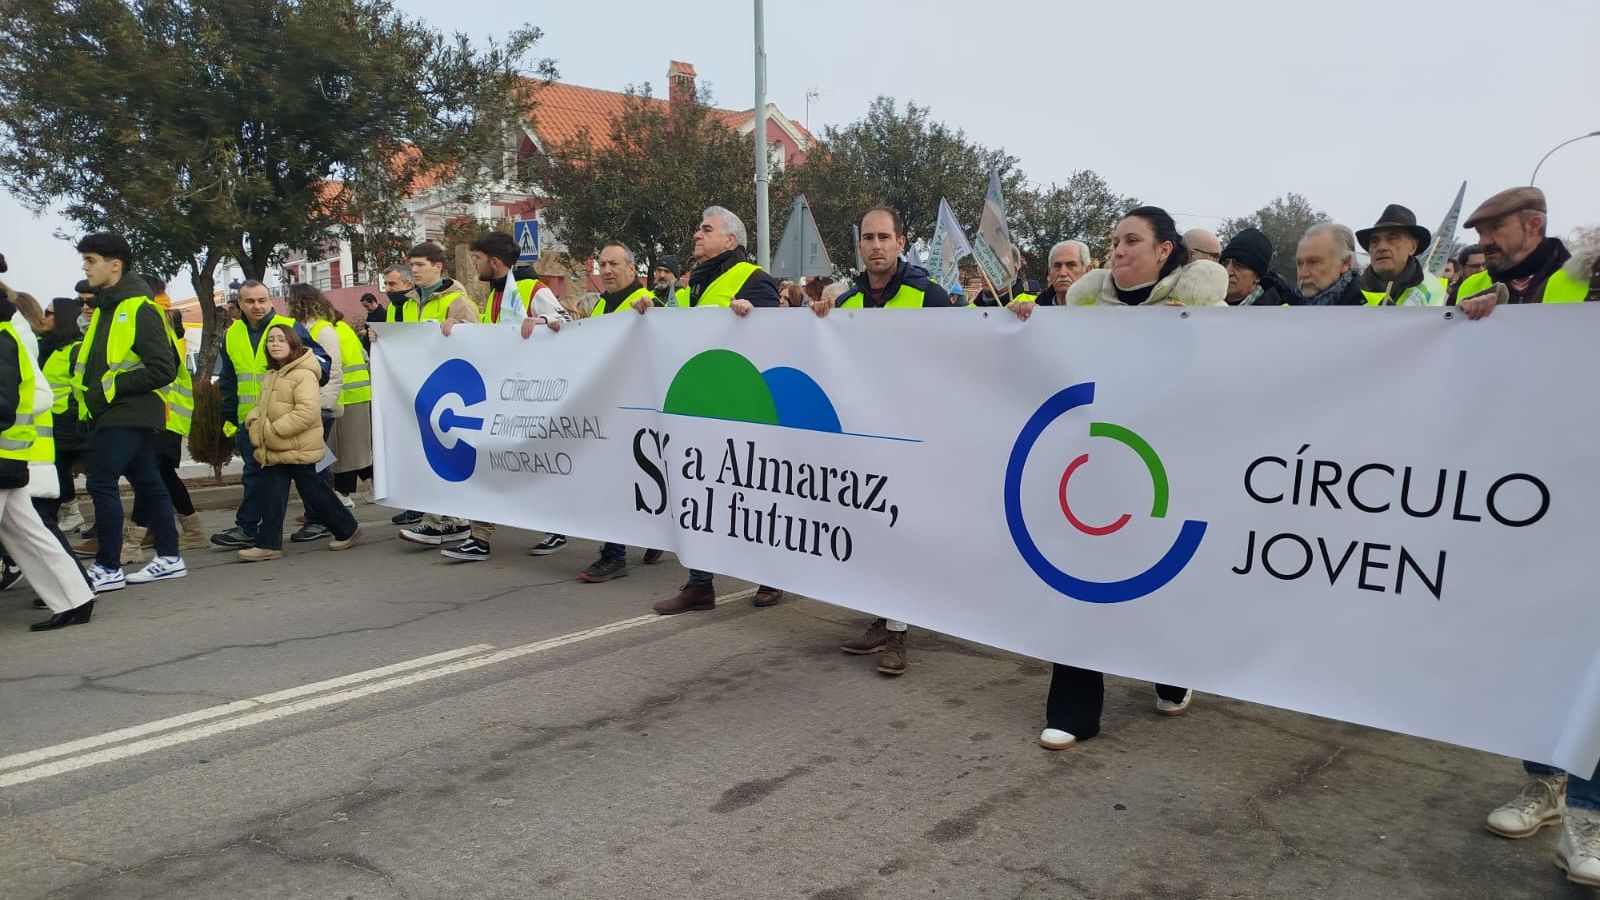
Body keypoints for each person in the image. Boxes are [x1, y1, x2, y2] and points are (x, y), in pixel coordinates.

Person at [1019, 205, 1226, 748]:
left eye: (1132, 240)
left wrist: (1202, 333)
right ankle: (1073, 710)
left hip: (1166, 471)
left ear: (1164, 251)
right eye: (1114, 240)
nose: (1118, 249)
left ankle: (1171, 674)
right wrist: (1026, 320)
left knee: (1155, 581)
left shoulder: (1206, 309)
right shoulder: (1084, 306)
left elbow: (1230, 379)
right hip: (1094, 465)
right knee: (1081, 579)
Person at [1474, 223, 1596, 886]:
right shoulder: (1576, 276)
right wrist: (1488, 319)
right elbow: (1528, 355)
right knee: (1544, 644)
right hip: (1555, 489)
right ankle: (1545, 784)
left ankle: (1587, 813)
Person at [813, 206, 952, 677]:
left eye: (884, 237)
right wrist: (817, 319)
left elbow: (963, 353)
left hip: (911, 437)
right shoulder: (847, 302)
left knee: (900, 533)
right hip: (861, 438)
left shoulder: (927, 295)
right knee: (871, 531)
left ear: (900, 242)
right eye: (868, 238)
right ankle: (881, 618)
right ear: (860, 246)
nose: (875, 245)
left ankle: (898, 635)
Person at [631, 206, 784, 615]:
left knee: (752, 493)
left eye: (706, 229)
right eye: (698, 228)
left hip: (743, 407)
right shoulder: (691, 286)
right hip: (698, 406)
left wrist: (753, 319)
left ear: (731, 240)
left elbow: (780, 339)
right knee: (696, 494)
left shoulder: (754, 280)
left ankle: (773, 574)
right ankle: (700, 584)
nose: (697, 235)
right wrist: (651, 313)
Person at [415, 231, 567, 561]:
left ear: (494, 261)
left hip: (533, 396)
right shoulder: (496, 293)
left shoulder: (532, 289)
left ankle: (556, 525)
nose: (475, 264)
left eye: (478, 259)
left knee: (532, 466)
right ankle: (480, 538)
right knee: (492, 462)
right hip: (504, 393)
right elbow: (491, 339)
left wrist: (544, 319)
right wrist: (458, 331)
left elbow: (567, 321)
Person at [72, 232, 186, 591]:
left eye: (91, 260)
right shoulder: (108, 307)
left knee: (101, 482)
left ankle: (107, 568)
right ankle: (169, 558)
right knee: (149, 482)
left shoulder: (139, 308)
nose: (85, 267)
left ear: (114, 264)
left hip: (127, 412)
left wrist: (110, 387)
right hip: (115, 413)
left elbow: (163, 367)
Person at [0, 287, 97, 630]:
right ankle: (76, 598)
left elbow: (8, 400)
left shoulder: (5, 335)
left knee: (31, 534)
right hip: (11, 454)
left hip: (6, 453)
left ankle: (76, 599)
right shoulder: (11, 332)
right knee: (30, 534)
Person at [209, 281, 327, 549]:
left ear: (272, 301)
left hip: (287, 418)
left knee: (307, 476)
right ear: (239, 304)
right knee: (255, 475)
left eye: (262, 300)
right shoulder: (232, 335)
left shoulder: (288, 327)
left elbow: (321, 362)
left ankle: (327, 521)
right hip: (251, 421)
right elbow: (228, 380)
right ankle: (248, 527)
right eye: (250, 301)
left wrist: (305, 388)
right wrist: (229, 418)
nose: (257, 306)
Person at [237, 324, 361, 561]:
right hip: (279, 448)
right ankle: (269, 545)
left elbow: (307, 412)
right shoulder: (273, 374)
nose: (274, 344)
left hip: (298, 447)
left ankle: (348, 529)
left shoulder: (303, 374)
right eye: (271, 340)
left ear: (294, 344)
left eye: (281, 340)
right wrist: (253, 420)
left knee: (317, 494)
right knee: (273, 495)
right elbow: (262, 407)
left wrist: (272, 432)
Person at [126, 290, 203, 555]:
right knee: (164, 477)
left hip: (165, 418)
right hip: (165, 418)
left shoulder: (160, 335)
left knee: (151, 476)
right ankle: (192, 531)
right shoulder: (166, 332)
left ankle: (133, 541)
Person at [285, 283, 346, 541]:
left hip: (319, 407)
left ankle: (322, 517)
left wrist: (321, 405)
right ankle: (319, 513)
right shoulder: (306, 328)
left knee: (314, 465)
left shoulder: (323, 330)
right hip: (311, 406)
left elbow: (331, 372)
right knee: (317, 462)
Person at [1456, 187, 1587, 305]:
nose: (1483, 242)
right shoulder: (1471, 285)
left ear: (1533, 226)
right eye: (1480, 232)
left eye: (1495, 227)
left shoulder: (1587, 281)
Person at [1355, 204, 1447, 305]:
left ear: (1413, 247)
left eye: (1392, 238)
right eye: (1374, 241)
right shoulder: (1351, 292)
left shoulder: (1433, 289)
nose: (1381, 247)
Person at [1219, 228, 1294, 306]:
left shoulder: (1279, 313)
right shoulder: (1208, 305)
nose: (1227, 272)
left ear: (1258, 277)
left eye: (1239, 266)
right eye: (1224, 264)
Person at [1294, 223, 1365, 305]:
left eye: (1313, 262)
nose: (1303, 273)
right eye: (1299, 264)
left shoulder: (1374, 310)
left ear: (1345, 263)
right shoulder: (1284, 312)